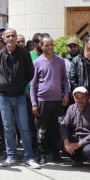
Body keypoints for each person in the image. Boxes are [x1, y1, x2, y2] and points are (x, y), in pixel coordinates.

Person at [0, 28, 40, 169]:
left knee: (24, 127)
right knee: (8, 127)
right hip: (4, 97)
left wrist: (19, 84)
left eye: (13, 35)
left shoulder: (24, 54)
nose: (11, 38)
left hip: (19, 96)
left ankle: (29, 157)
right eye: (8, 36)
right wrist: (3, 85)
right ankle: (11, 156)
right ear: (4, 38)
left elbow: (30, 73)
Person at [30, 35, 69, 164]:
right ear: (41, 46)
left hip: (57, 102)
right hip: (42, 102)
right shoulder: (36, 62)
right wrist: (34, 103)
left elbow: (65, 80)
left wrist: (66, 95)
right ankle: (42, 154)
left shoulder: (60, 61)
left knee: (57, 128)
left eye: (51, 44)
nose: (50, 47)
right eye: (47, 45)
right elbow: (32, 84)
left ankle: (56, 153)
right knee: (42, 129)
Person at [60, 87, 90, 167]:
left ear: (87, 97)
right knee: (60, 142)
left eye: (82, 97)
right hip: (76, 138)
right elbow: (64, 125)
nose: (79, 100)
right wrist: (66, 141)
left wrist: (78, 144)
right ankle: (78, 159)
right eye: (77, 98)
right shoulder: (71, 108)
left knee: (89, 150)